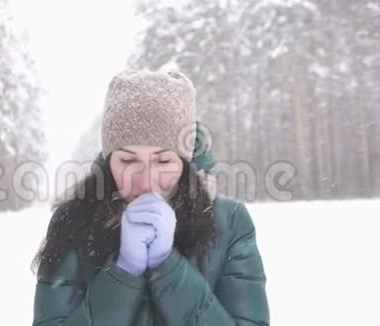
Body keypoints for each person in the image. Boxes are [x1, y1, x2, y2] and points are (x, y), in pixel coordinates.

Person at [31, 69, 269, 325]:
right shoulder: (73, 221)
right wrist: (123, 273)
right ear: (109, 159)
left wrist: (169, 268)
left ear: (186, 161)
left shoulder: (230, 222)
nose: (145, 181)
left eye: (163, 160)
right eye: (128, 160)